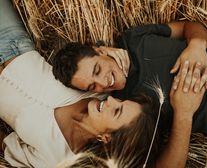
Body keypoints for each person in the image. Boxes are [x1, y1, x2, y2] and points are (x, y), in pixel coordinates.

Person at [52, 20, 207, 167]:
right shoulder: (126, 110)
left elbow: (190, 26)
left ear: (100, 51)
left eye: (98, 70)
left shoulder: (133, 39)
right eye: (92, 87)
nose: (103, 84)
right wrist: (184, 113)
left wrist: (197, 46)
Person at [0, 0, 160, 167]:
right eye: (120, 102)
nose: (112, 100)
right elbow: (83, 59)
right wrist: (105, 51)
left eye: (116, 112)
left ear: (107, 138)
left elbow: (6, 145)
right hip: (13, 40)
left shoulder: (57, 159)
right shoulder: (98, 89)